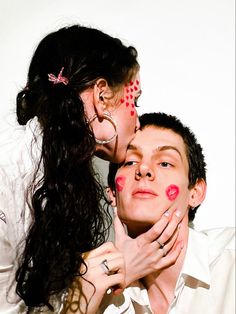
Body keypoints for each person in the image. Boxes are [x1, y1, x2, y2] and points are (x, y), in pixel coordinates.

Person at [0, 26, 181, 314]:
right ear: (102, 96)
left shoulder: (64, 175)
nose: (137, 123)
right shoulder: (7, 176)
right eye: (133, 101)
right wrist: (100, 278)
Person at [104, 112, 235, 314]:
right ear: (112, 193)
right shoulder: (88, 286)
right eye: (130, 162)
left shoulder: (230, 260)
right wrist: (111, 278)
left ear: (195, 193)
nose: (144, 169)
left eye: (165, 163)